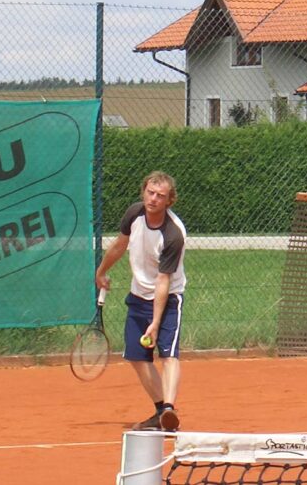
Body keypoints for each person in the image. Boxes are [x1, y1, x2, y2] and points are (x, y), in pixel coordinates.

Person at [95, 171, 187, 432]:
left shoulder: (173, 234)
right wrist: (100, 272)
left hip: (168, 298)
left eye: (161, 195)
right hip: (138, 296)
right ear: (143, 191)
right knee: (137, 357)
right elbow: (119, 246)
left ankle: (169, 407)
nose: (154, 199)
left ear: (169, 200)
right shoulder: (134, 214)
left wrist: (155, 323)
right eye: (150, 192)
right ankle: (162, 414)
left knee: (168, 354)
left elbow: (163, 281)